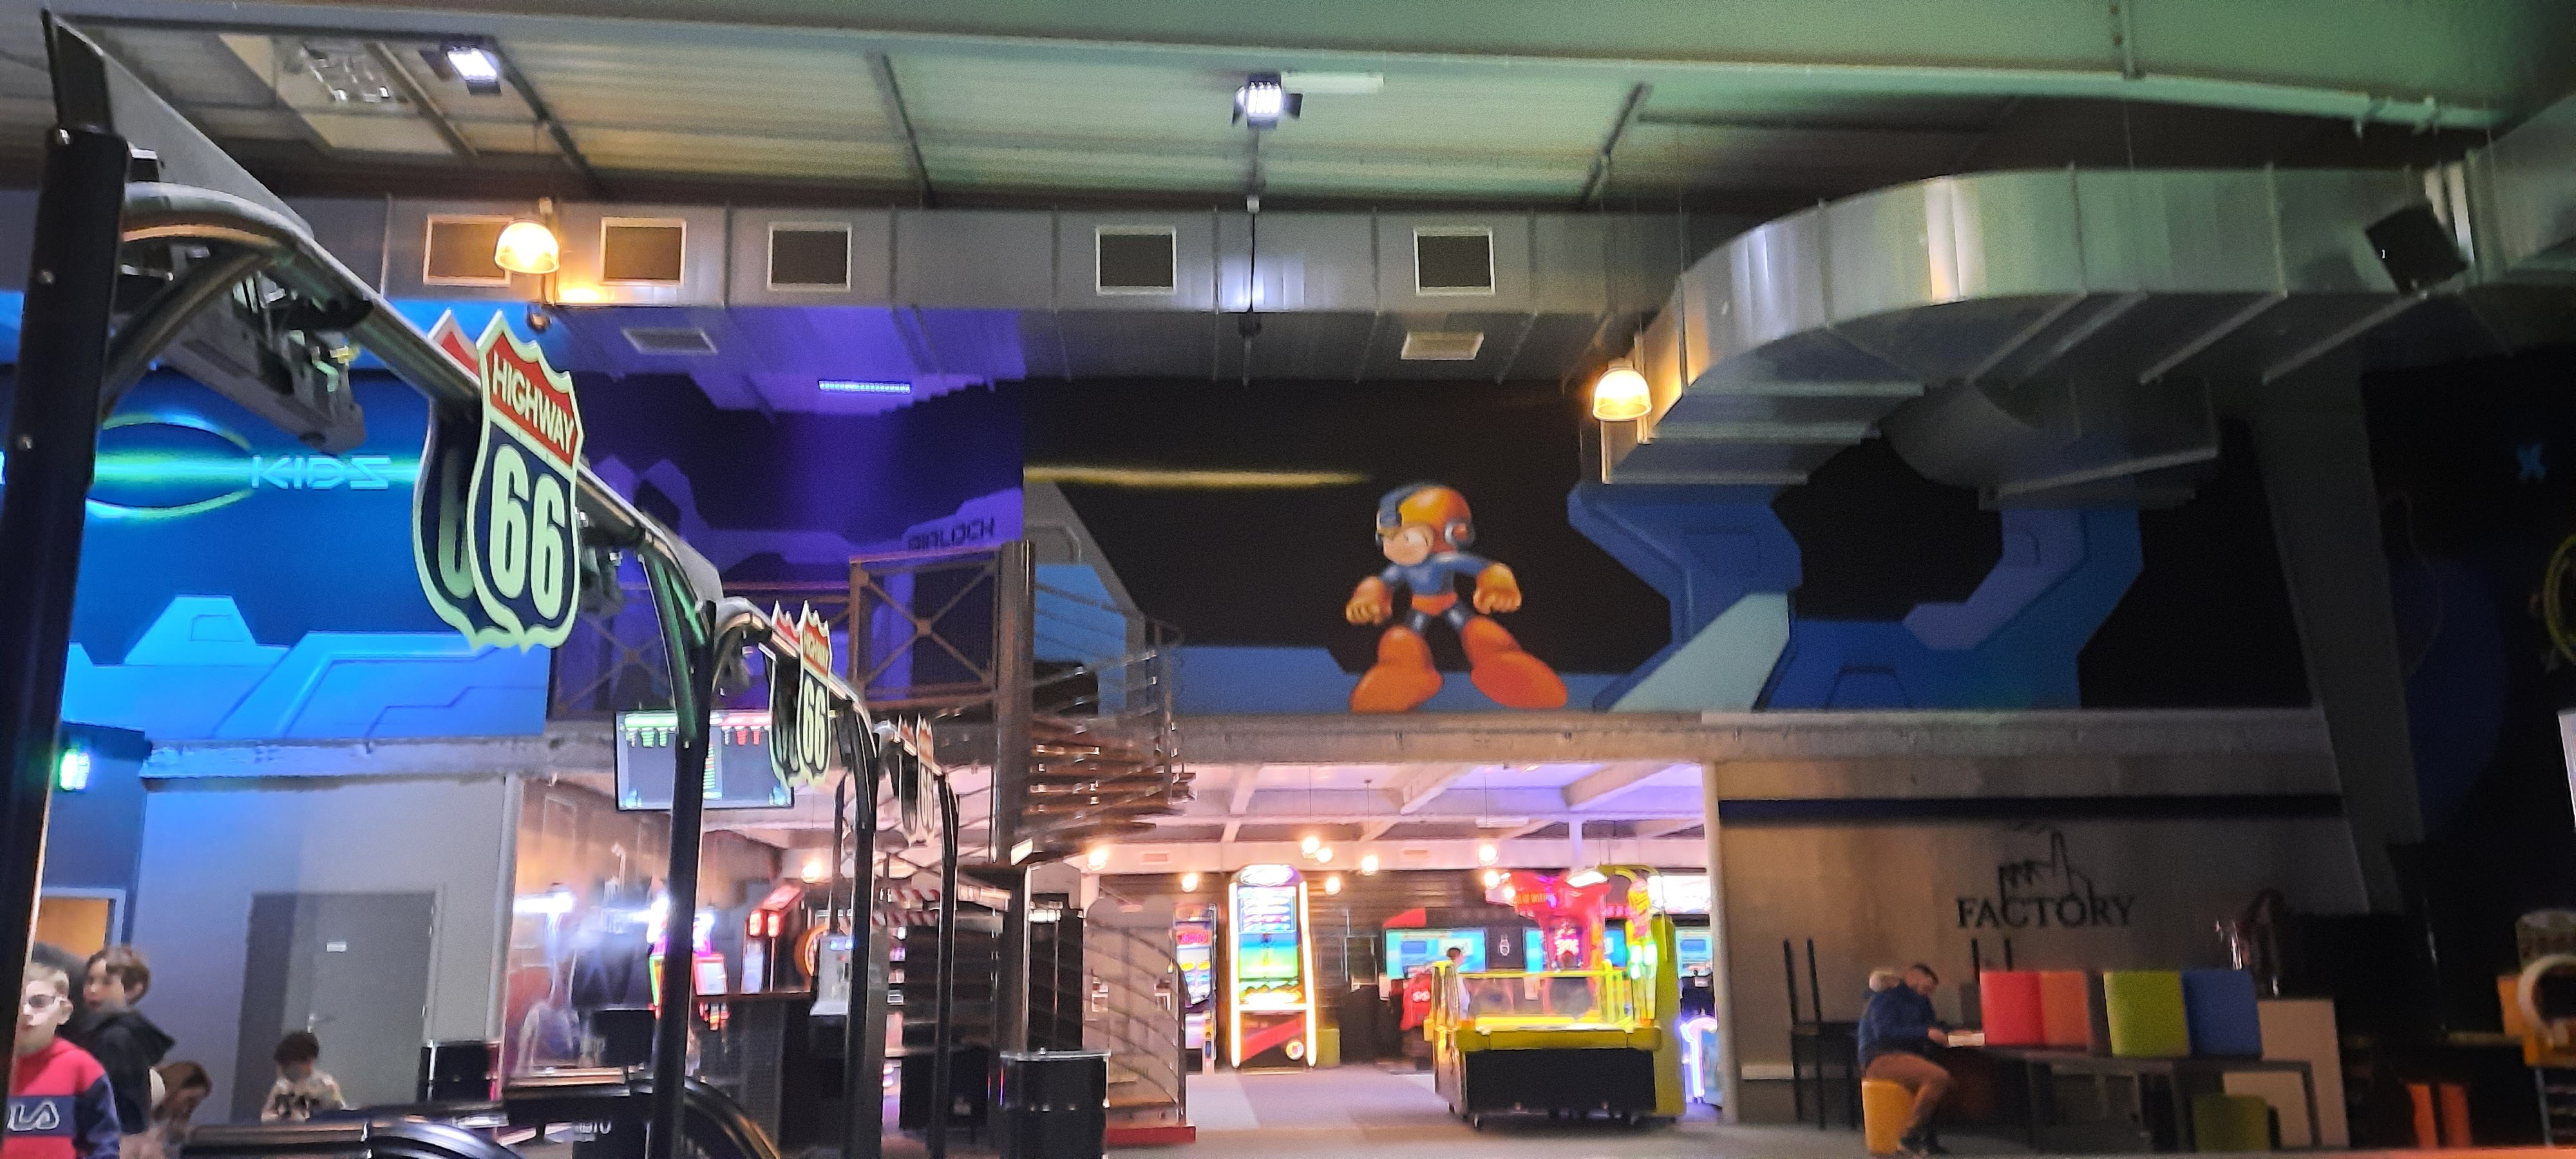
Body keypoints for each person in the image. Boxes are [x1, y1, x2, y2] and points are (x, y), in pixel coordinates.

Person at [6, 964, 120, 1159]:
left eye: (39, 1002)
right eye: (15, 1001)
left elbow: (104, 1144)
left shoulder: (83, 1068)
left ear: (64, 1012)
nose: (25, 1012)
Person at [70, 949, 171, 1147]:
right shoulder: (133, 1034)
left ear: (133, 989)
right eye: (90, 981)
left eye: (107, 982)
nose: (93, 990)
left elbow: (107, 1101)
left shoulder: (114, 1039)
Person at [1857, 963, 1953, 1156]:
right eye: (1926, 987)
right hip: (1881, 1057)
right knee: (1938, 1078)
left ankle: (1927, 1139)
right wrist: (1925, 1032)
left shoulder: (1920, 1001)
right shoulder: (1886, 998)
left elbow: (1930, 1025)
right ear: (1913, 978)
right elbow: (1884, 1033)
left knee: (1948, 1081)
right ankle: (1909, 1136)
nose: (1928, 993)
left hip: (1905, 1055)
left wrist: (1946, 1031)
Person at [118, 1063, 207, 1159]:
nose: (185, 1109)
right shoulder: (135, 1104)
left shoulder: (171, 1129)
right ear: (177, 1086)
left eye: (194, 1105)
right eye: (189, 1100)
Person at [258, 1032, 343, 1123]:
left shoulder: (326, 1085)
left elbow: (339, 1116)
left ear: (309, 1061)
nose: (283, 1071)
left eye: (288, 1065)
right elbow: (267, 1114)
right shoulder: (281, 1086)